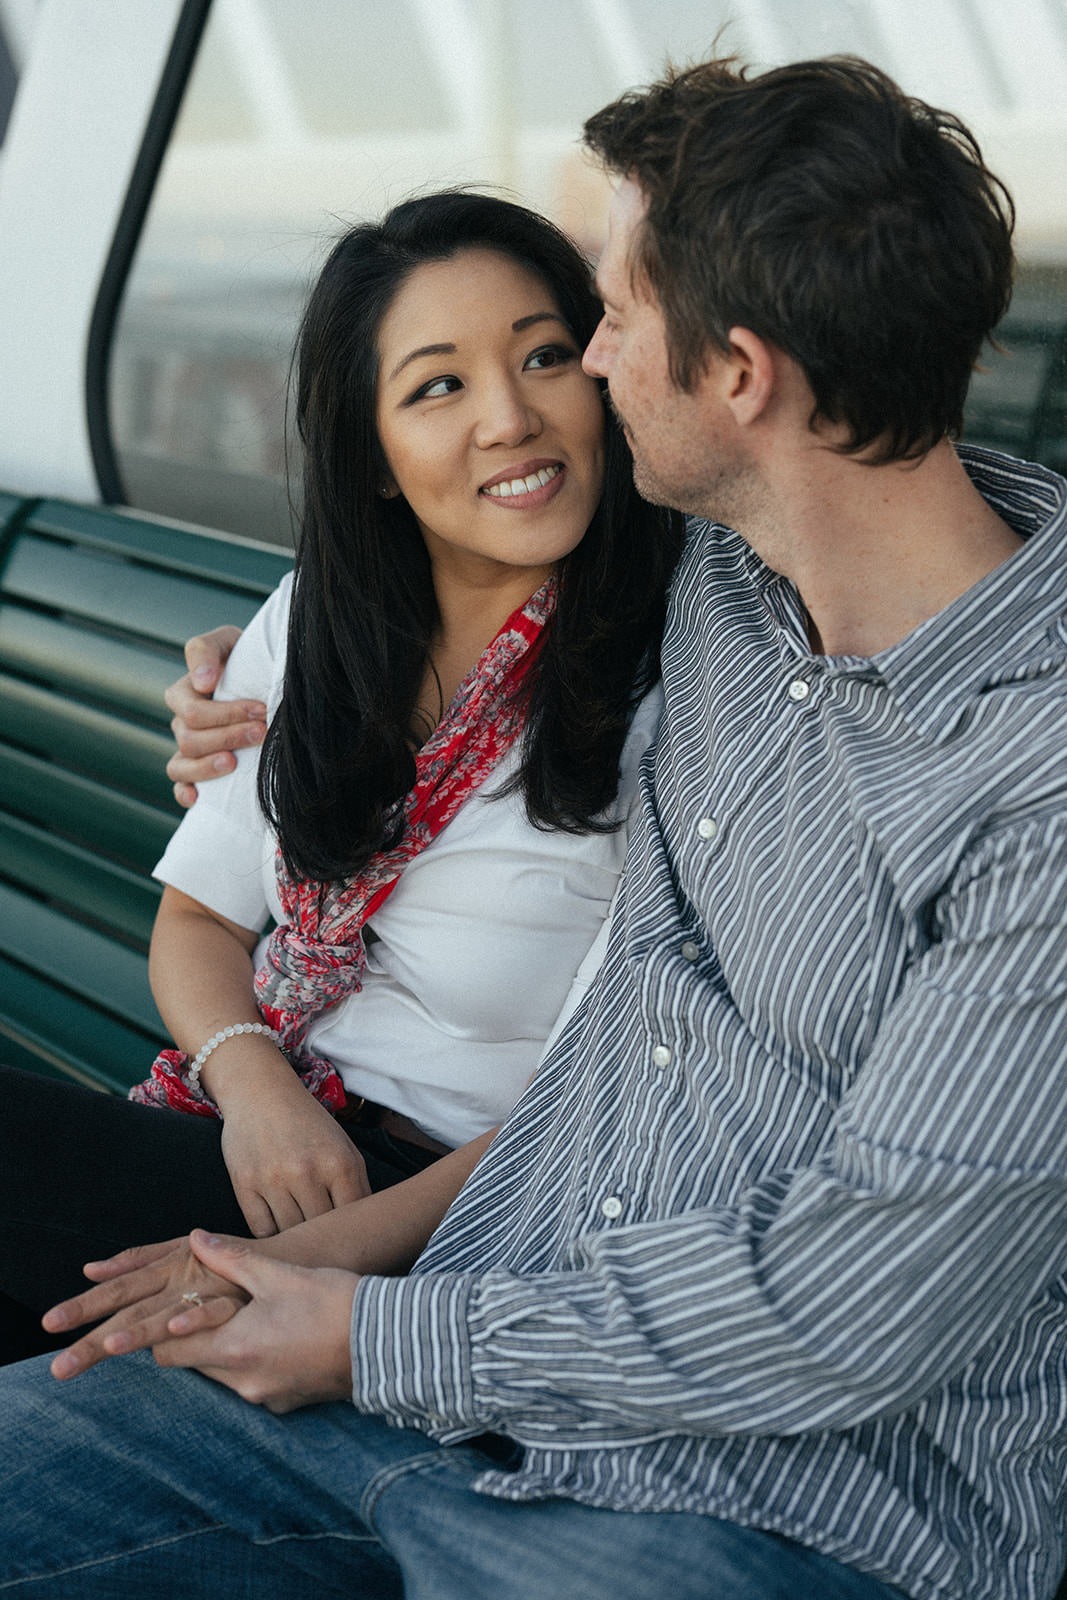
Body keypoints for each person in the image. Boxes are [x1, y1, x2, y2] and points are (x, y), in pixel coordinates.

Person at [3, 53, 1066, 1600]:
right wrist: (253, 686)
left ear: (741, 375)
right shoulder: (730, 581)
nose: (580, 370)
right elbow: (457, 565)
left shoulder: (1023, 788)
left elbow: (850, 1306)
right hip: (431, 1380)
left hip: (756, 1510)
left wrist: (366, 1322)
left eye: (604, 324)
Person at [0, 190, 682, 1363]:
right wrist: (256, 1087)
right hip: (257, 1124)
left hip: (451, 1214)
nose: (510, 417)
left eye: (544, 355)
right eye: (438, 385)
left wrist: (302, 1266)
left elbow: (599, 1096)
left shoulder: (679, 675)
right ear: (371, 454)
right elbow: (199, 916)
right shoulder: (322, 619)